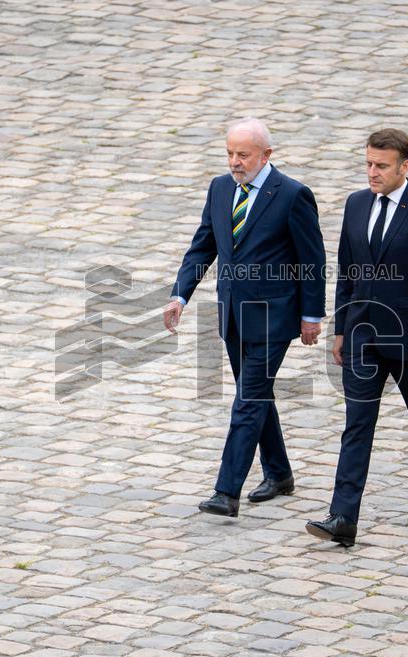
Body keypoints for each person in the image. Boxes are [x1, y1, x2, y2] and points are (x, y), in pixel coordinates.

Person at [165, 118, 326, 518]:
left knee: (248, 399)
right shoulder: (221, 189)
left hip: (275, 317)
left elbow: (313, 260)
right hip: (233, 315)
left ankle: (226, 490)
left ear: (266, 155)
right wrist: (180, 294)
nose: (235, 162)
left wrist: (311, 315)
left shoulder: (292, 196)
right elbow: (203, 247)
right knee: (256, 395)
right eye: (230, 154)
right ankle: (280, 473)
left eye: (243, 155)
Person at [306, 128, 408, 547]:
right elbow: (347, 271)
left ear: (404, 166)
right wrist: (340, 329)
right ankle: (343, 517)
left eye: (381, 165)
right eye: (368, 163)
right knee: (357, 425)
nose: (372, 172)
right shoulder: (356, 204)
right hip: (362, 337)